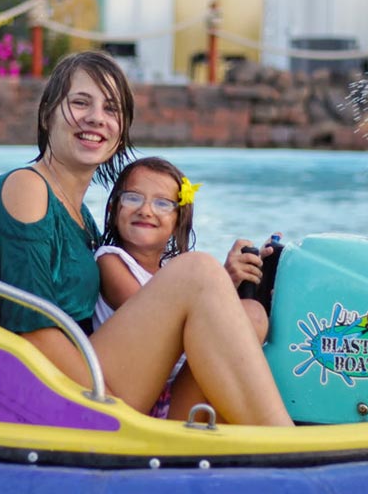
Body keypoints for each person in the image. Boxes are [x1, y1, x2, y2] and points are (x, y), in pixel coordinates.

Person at [0, 51, 292, 427]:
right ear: (47, 113)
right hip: (55, 392)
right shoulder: (27, 187)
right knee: (196, 272)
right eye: (81, 102)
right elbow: (33, 329)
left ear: (121, 129)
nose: (96, 117)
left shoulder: (81, 220)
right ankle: (286, 445)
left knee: (249, 313)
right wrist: (108, 406)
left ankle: (205, 433)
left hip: (88, 376)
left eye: (110, 109)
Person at [92, 156, 271, 419]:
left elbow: (205, 329)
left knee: (252, 313)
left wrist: (242, 281)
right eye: (132, 198)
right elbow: (161, 321)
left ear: (179, 219)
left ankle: (248, 417)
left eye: (162, 203)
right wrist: (222, 279)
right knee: (202, 277)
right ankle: (274, 430)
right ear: (113, 209)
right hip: (136, 395)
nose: (146, 209)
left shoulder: (171, 272)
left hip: (175, 395)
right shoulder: (110, 260)